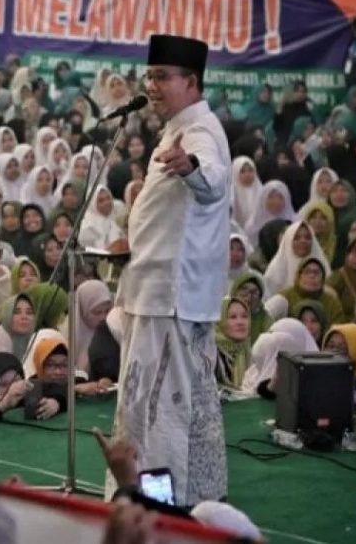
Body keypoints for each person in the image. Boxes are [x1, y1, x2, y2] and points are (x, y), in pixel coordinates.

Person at [112, 34, 229, 506]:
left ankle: (157, 510)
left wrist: (192, 168)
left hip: (170, 300)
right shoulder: (175, 128)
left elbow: (214, 180)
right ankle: (191, 500)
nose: (153, 86)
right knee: (167, 410)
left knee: (160, 416)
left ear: (192, 81)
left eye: (163, 77)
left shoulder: (199, 132)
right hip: (156, 294)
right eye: (151, 76)